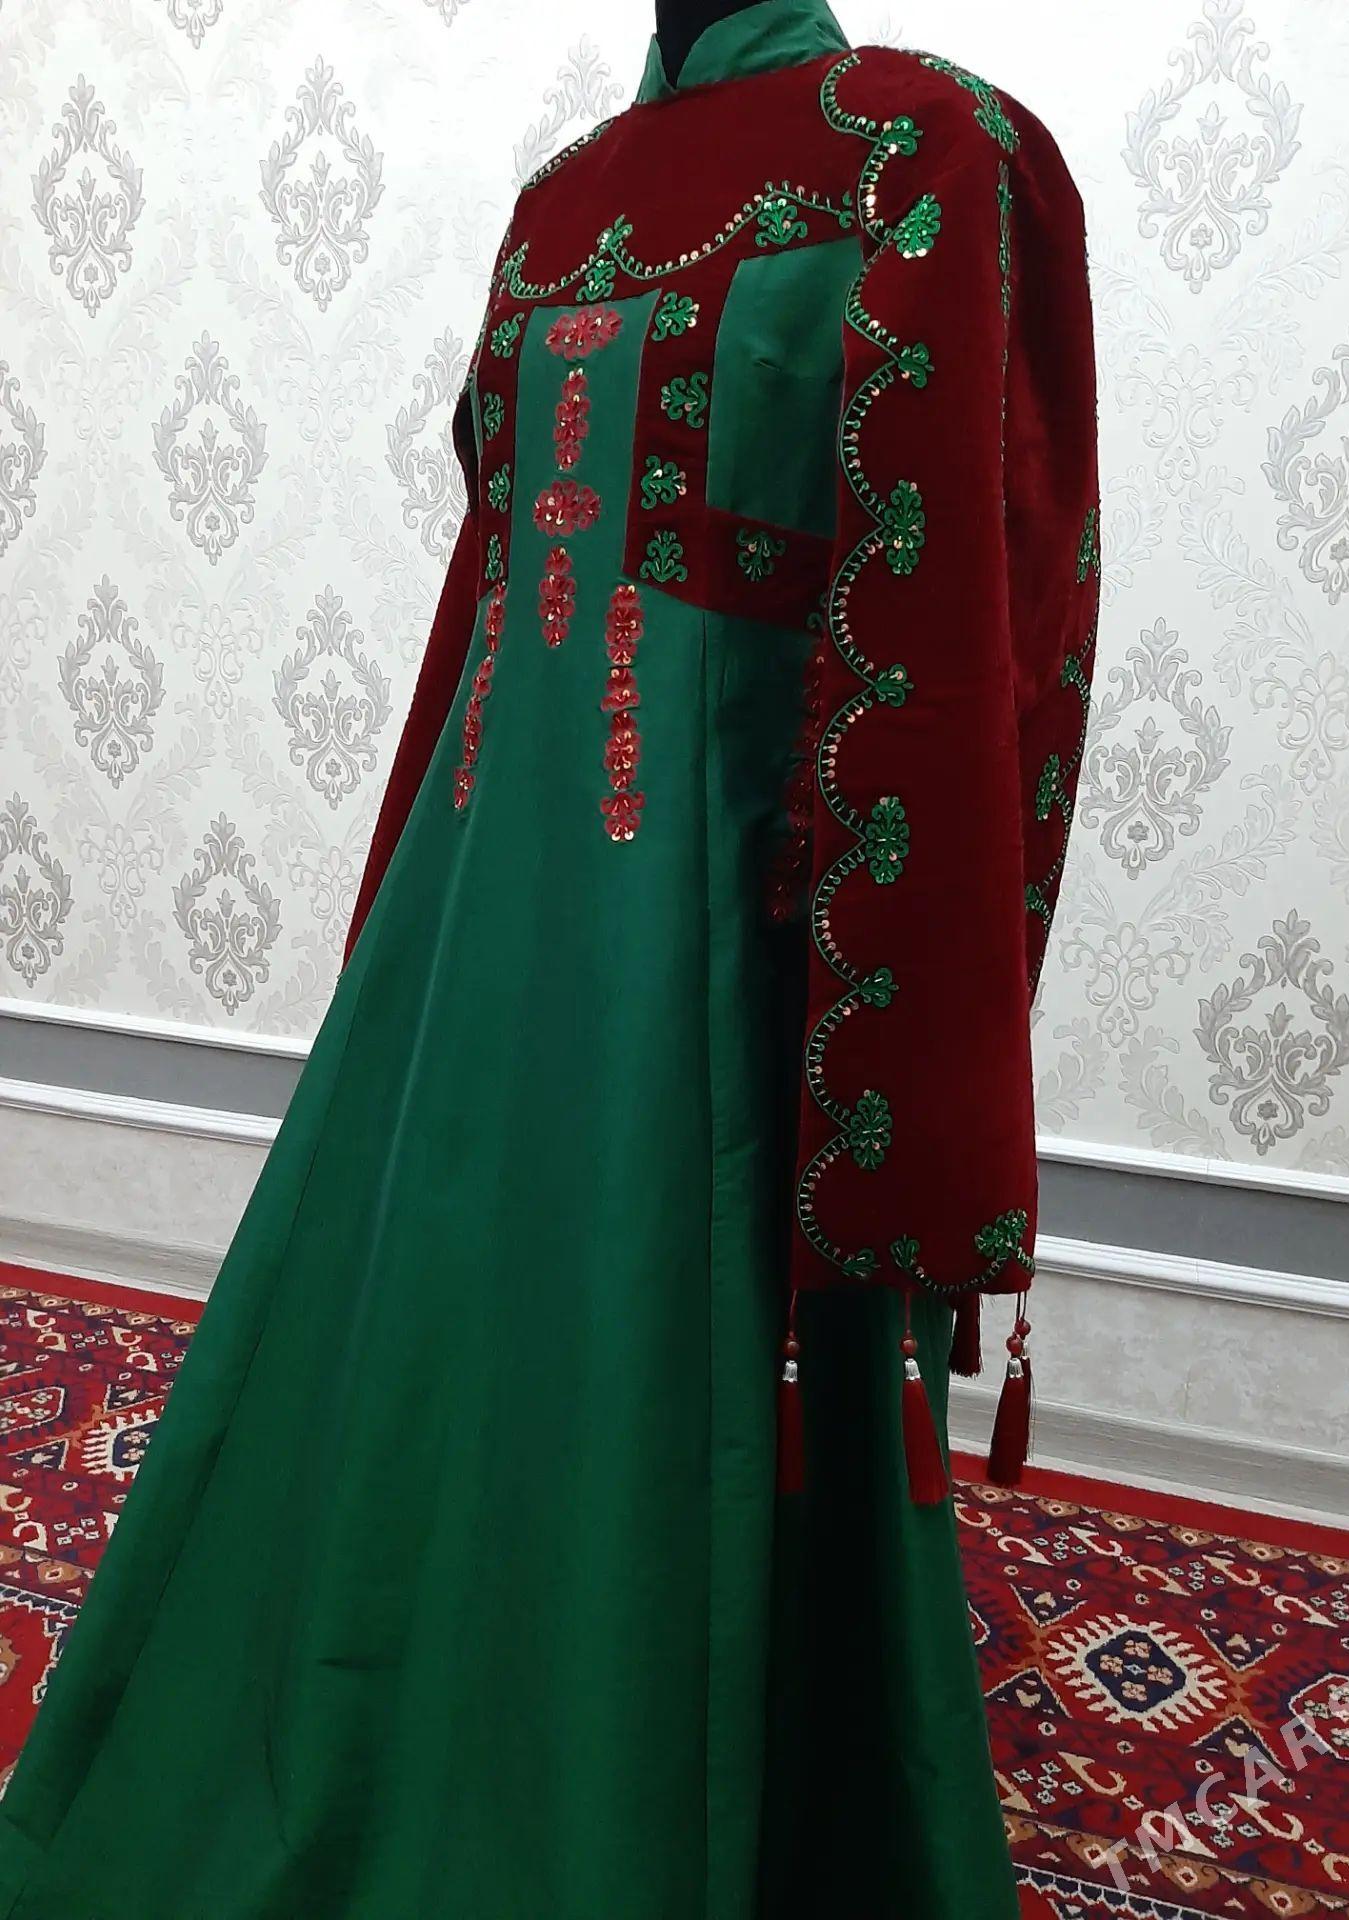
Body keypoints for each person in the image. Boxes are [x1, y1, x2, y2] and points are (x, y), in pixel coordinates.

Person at [0, 3, 1098, 1913]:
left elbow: (973, 623)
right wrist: (397, 937)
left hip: (725, 920)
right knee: (415, 1349)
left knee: (665, 1336)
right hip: (488, 890)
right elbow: (493, 585)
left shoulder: (927, 148)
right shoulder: (561, 203)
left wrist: (905, 1033)